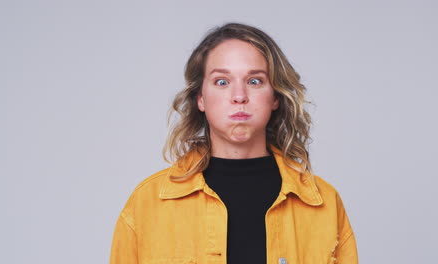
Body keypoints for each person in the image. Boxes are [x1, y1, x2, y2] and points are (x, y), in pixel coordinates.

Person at [109, 23, 358, 264]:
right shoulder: (148, 204)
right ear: (200, 99)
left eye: (254, 81)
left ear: (275, 97)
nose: (239, 96)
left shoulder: (322, 202)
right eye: (222, 82)